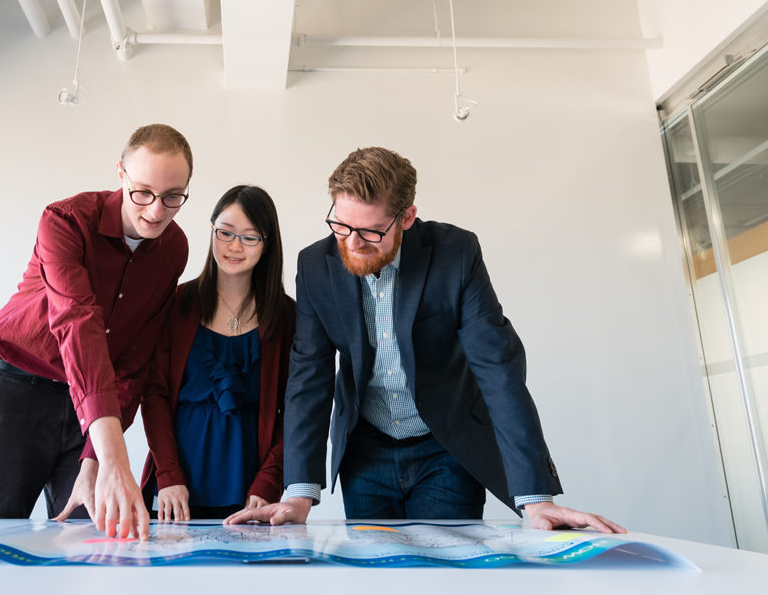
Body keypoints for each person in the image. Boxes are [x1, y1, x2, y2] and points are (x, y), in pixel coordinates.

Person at [227, 147, 625, 533]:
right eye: (341, 226)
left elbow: (497, 369)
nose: (351, 242)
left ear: (407, 218)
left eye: (369, 231)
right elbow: (308, 378)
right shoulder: (314, 266)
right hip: (364, 450)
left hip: (446, 447)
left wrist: (537, 498)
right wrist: (298, 495)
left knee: (444, 574)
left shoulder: (456, 254)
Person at [0, 124, 192, 540]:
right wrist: (115, 458)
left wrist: (94, 459)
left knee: (90, 543)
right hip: (15, 391)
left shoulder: (175, 248)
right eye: (142, 192)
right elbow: (77, 322)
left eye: (173, 196)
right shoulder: (65, 220)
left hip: (89, 410)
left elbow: (133, 360)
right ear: (120, 175)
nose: (156, 211)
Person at [139, 186, 295, 521]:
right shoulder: (176, 303)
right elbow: (153, 393)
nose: (234, 246)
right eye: (225, 233)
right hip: (176, 488)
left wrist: (270, 480)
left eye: (249, 237)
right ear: (212, 231)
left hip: (251, 488)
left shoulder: (287, 317)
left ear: (267, 244)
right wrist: (167, 474)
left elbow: (295, 409)